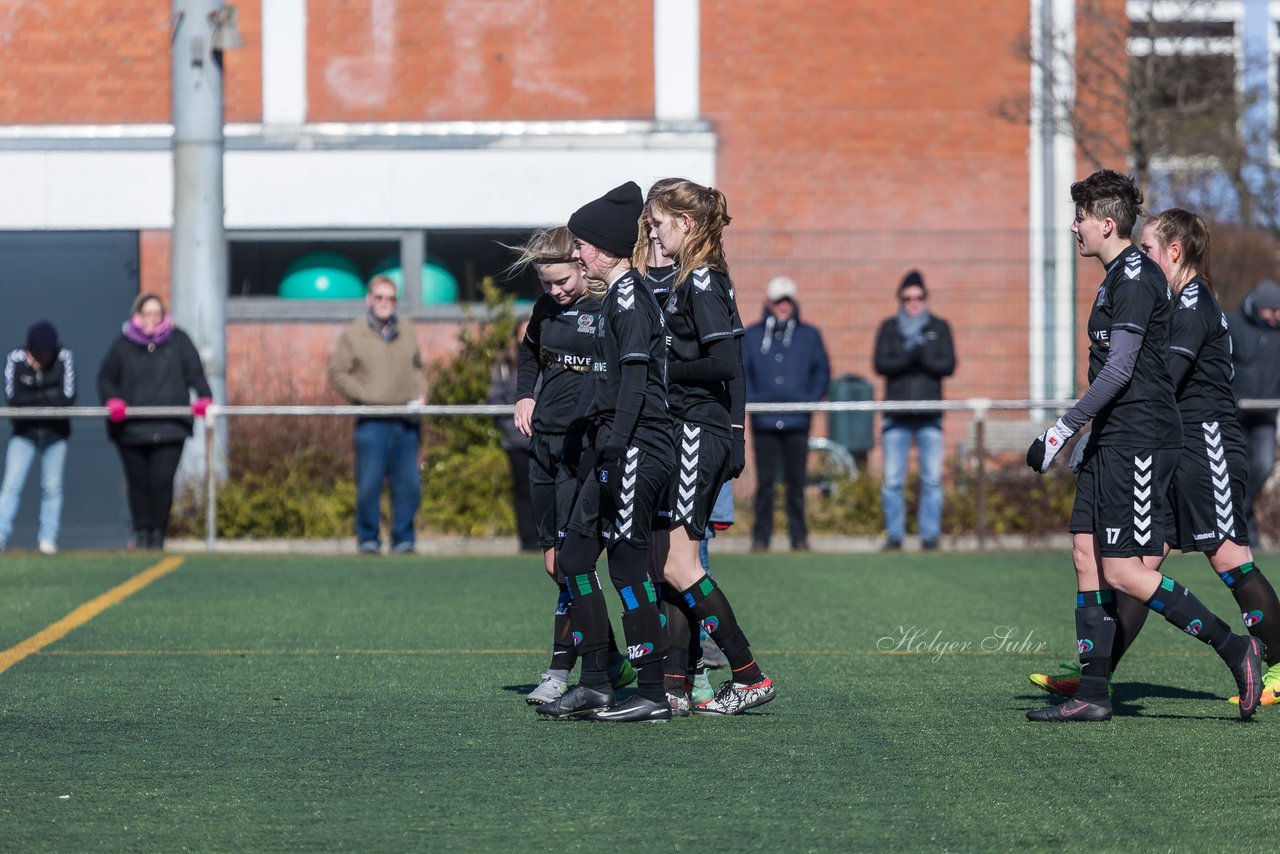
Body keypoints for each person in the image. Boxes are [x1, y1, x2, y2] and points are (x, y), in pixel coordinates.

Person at [1023, 170, 1262, 723]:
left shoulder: (1133, 276)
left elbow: (1121, 370)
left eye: (1080, 217)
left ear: (1106, 223)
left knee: (1125, 571)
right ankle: (1093, 693)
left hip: (1141, 437)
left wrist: (1062, 432)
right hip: (1115, 434)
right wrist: (1089, 439)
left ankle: (1237, 649)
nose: (1074, 227)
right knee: (1086, 555)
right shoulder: (1115, 276)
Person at [533, 181, 677, 722]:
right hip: (610, 447)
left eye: (583, 245)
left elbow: (637, 381)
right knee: (573, 560)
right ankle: (594, 680)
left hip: (636, 447)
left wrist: (615, 445)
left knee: (625, 567)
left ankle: (652, 692)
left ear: (605, 248)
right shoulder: (612, 296)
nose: (577, 253)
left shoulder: (631, 298)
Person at [640, 178, 774, 716]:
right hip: (698, 430)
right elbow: (731, 366)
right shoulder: (696, 279)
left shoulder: (700, 282)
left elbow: (724, 365)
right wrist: (738, 433)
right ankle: (673, 684)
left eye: (658, 222)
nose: (651, 229)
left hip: (698, 430)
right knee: (670, 561)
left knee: (676, 562)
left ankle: (749, 675)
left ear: (685, 224)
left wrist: (663, 371)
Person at [505, 227, 632, 706]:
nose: (555, 291)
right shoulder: (544, 310)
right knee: (553, 565)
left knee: (570, 562)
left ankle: (561, 668)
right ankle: (610, 660)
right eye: (546, 284)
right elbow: (528, 353)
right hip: (544, 445)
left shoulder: (608, 307)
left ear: (582, 265)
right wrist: (525, 394)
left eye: (562, 281)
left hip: (583, 450)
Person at [97, 293, 212, 551]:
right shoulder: (123, 345)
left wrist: (205, 396)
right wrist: (112, 400)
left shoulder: (179, 341)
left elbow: (195, 371)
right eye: (148, 314)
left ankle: (158, 534)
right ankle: (142, 534)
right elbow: (106, 377)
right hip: (131, 430)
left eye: (157, 314)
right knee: (138, 484)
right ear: (137, 315)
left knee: (161, 482)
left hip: (170, 427)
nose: (152, 319)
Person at [326, 275, 428, 555]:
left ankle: (404, 539)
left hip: (406, 419)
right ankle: (368, 538)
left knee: (408, 483)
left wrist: (421, 392)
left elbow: (418, 367)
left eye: (391, 298)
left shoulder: (407, 329)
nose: (385, 304)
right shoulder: (354, 332)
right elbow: (337, 372)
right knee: (369, 484)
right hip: (371, 421)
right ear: (369, 299)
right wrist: (364, 394)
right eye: (380, 297)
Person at [741, 275, 830, 552]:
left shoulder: (809, 335)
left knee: (796, 483)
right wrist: (754, 401)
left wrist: (808, 400)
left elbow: (822, 372)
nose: (784, 306)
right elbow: (742, 372)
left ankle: (799, 537)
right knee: (765, 483)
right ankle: (760, 538)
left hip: (797, 420)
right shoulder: (753, 335)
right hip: (764, 420)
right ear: (769, 302)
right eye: (779, 301)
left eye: (788, 300)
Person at [873, 270, 957, 551]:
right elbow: (881, 364)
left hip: (929, 416)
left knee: (932, 479)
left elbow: (947, 365)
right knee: (893, 480)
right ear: (901, 298)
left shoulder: (939, 326)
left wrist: (921, 357)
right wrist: (910, 357)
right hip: (896, 416)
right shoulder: (889, 328)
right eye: (908, 297)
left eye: (918, 297)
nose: (913, 302)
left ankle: (929, 536)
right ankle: (895, 536)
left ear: (925, 297)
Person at [0, 321, 75, 554]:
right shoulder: (15, 359)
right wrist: (45, 392)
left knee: (52, 487)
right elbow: (14, 398)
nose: (44, 357)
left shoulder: (64, 357)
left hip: (56, 435)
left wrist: (34, 394)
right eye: (39, 353)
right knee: (11, 484)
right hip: (24, 433)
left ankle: (47, 540)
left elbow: (67, 397)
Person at [1227, 278, 1280, 548]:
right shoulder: (1232, 325)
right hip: (1235, 414)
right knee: (1234, 469)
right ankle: (1238, 528)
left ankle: (1244, 514)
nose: (1277, 315)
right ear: (1259, 307)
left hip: (1265, 416)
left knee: (1262, 466)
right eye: (1273, 310)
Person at [488, 316, 539, 553]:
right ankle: (527, 540)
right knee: (523, 490)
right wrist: (516, 427)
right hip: (517, 440)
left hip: (545, 439)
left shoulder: (551, 359)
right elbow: (495, 399)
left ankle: (549, 538)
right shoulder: (506, 365)